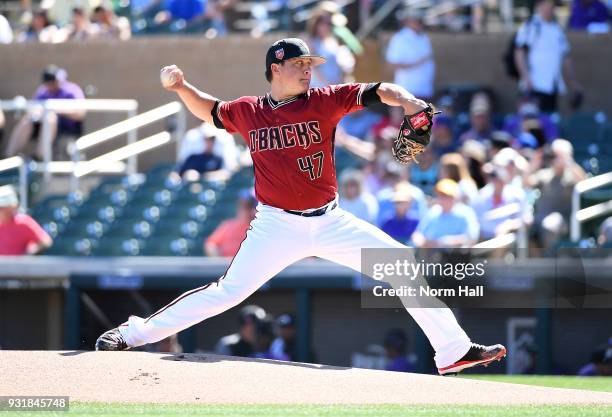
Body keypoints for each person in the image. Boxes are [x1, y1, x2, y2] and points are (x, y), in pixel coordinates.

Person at [96, 37, 505, 376]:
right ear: (276, 68)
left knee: (400, 264)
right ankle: (132, 335)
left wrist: (410, 101)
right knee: (227, 292)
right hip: (276, 225)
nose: (308, 69)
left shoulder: (324, 100)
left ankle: (452, 350)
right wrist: (182, 88)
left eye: (310, 63)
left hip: (330, 220)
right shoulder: (250, 111)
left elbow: (380, 91)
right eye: (300, 63)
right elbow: (213, 111)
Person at [514, 0, 583, 113]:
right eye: (545, 4)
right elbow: (519, 53)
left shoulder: (557, 30)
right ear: (539, 6)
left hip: (552, 86)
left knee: (550, 122)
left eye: (551, 5)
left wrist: (573, 83)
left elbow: (565, 57)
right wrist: (526, 77)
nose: (548, 8)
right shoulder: (530, 26)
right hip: (534, 86)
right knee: (533, 124)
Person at [4, 65, 86, 160]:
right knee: (27, 120)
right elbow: (34, 107)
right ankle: (7, 156)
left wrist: (56, 109)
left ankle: (39, 157)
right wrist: (36, 112)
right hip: (41, 126)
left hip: (66, 127)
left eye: (54, 82)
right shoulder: (43, 91)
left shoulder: (71, 90)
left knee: (50, 117)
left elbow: (81, 113)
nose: (51, 85)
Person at [524, 139, 586, 249]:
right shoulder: (545, 174)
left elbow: (584, 183)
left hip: (562, 220)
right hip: (540, 217)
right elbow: (526, 183)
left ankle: (549, 261)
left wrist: (568, 161)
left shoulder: (571, 175)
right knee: (525, 227)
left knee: (550, 225)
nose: (554, 158)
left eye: (556, 155)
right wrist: (534, 164)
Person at [412, 179, 480, 248]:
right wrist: (421, 242)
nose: (443, 199)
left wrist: (446, 242)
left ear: (456, 197)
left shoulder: (466, 213)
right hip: (431, 255)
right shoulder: (433, 212)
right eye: (440, 195)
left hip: (457, 255)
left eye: (447, 196)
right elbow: (418, 234)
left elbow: (472, 238)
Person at [385, 8, 435, 102]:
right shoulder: (399, 38)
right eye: (417, 20)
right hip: (407, 90)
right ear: (408, 21)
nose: (420, 23)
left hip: (424, 89)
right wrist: (416, 64)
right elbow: (393, 63)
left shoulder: (424, 37)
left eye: (420, 21)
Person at [306, 9, 355, 87]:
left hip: (335, 87)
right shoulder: (311, 42)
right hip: (320, 88)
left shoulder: (334, 41)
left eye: (328, 24)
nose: (326, 26)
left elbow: (342, 66)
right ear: (316, 25)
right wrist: (328, 86)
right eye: (322, 23)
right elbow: (313, 68)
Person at [0, 185, 53, 256]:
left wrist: (31, 252)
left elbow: (45, 241)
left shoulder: (23, 222)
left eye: (3, 207)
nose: (2, 210)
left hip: (19, 266)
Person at [204, 190, 257, 257]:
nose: (243, 209)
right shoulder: (228, 225)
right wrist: (219, 262)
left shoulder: (259, 228)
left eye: (249, 206)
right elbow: (210, 245)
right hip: (227, 265)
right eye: (242, 205)